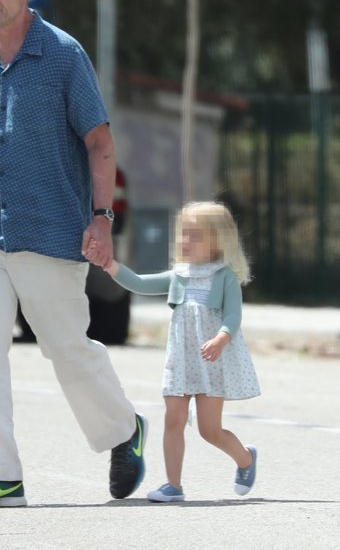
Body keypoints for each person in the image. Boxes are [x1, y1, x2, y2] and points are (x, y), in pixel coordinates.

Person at [0, 0, 146, 509]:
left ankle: (124, 430)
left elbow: (100, 143)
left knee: (65, 349)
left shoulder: (62, 55)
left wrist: (101, 221)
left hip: (51, 228)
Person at [98, 201, 260, 502]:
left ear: (218, 240)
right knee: (173, 419)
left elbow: (233, 317)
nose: (185, 241)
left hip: (211, 361)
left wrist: (221, 338)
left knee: (209, 431)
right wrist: (110, 265)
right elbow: (138, 283)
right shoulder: (180, 274)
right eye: (184, 234)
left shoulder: (224, 276)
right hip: (180, 361)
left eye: (195, 235)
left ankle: (245, 459)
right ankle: (173, 485)